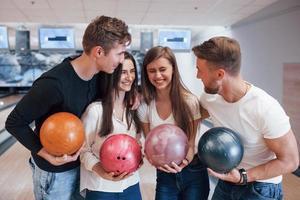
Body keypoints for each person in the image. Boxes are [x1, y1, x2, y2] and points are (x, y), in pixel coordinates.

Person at [5, 15, 131, 200]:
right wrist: (43, 152)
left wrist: (133, 96)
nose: (121, 60)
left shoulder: (100, 76)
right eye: (119, 53)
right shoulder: (53, 84)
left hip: (83, 166)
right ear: (98, 52)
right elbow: (14, 122)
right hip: (56, 174)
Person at [192, 36, 299, 200]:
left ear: (220, 74)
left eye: (200, 69)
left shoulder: (265, 108)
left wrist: (244, 176)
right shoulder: (209, 99)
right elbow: (189, 115)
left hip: (261, 187)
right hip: (227, 180)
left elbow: (290, 161)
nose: (198, 75)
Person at [138, 46, 210, 200]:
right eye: (151, 71)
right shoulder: (145, 106)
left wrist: (183, 162)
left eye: (163, 69)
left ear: (173, 69)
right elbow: (150, 143)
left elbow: (190, 145)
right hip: (165, 174)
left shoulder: (189, 102)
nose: (158, 75)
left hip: (193, 171)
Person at [80, 51, 142, 200]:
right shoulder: (95, 111)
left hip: (131, 184)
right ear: (112, 74)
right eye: (123, 72)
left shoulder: (134, 109)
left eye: (132, 71)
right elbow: (83, 150)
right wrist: (100, 170)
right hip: (101, 187)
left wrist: (139, 157)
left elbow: (137, 143)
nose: (129, 77)